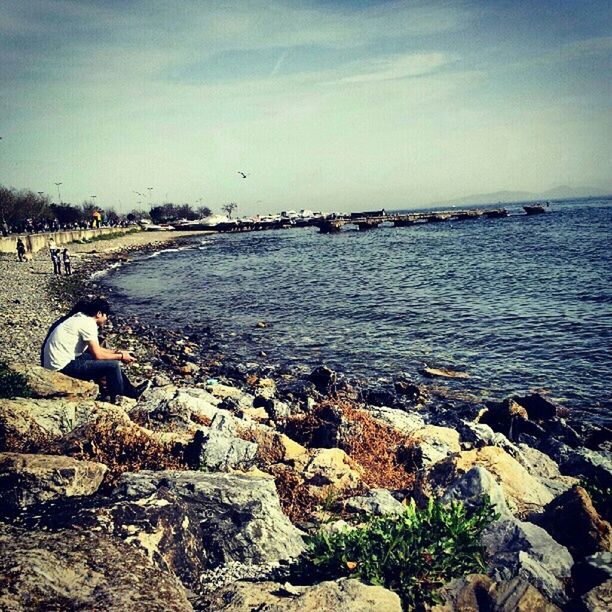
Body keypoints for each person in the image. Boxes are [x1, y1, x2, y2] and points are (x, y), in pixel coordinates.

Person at [42, 297, 150, 402]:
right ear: (99, 314)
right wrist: (121, 357)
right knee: (113, 365)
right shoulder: (89, 324)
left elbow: (97, 350)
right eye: (106, 315)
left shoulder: (80, 318)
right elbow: (97, 355)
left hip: (58, 361)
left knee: (106, 361)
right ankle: (118, 399)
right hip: (62, 366)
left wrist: (119, 352)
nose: (107, 319)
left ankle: (131, 393)